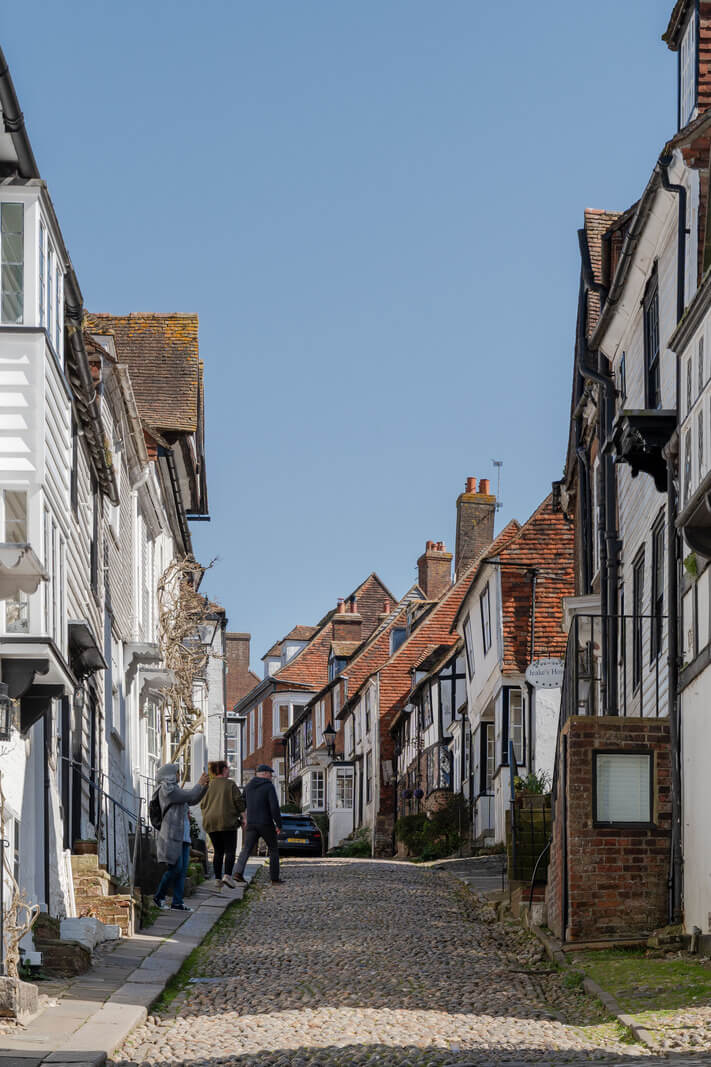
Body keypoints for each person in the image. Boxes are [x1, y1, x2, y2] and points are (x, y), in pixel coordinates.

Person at [153, 763, 209, 911]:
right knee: (175, 868)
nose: (180, 775)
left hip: (183, 836)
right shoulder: (167, 789)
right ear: (170, 774)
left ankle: (177, 902)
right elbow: (189, 795)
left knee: (182, 870)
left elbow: (193, 800)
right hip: (171, 834)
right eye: (178, 773)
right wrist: (199, 784)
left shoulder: (175, 788)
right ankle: (159, 896)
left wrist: (204, 787)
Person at [233, 764, 283, 885]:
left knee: (246, 849)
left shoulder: (248, 786)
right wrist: (279, 824)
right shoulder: (268, 787)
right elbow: (274, 807)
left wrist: (243, 818)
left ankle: (237, 873)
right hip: (266, 823)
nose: (271, 776)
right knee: (273, 849)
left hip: (251, 823)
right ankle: (274, 878)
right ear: (264, 773)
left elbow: (242, 804)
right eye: (270, 774)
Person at [200, 760, 245, 889]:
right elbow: (239, 801)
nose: (229, 770)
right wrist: (244, 817)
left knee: (218, 851)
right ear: (224, 769)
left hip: (210, 821)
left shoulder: (208, 785)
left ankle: (218, 879)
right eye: (228, 768)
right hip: (227, 821)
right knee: (230, 850)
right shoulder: (230, 784)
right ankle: (227, 876)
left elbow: (202, 804)